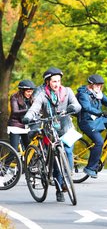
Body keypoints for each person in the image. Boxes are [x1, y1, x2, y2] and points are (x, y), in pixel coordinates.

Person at [22, 67, 82, 202]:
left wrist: (72, 108)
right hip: (50, 128)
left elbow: (77, 105)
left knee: (67, 151)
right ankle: (59, 189)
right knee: (55, 159)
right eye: (54, 81)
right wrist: (28, 116)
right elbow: (35, 108)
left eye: (59, 81)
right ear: (48, 82)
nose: (57, 84)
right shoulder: (42, 94)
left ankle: (68, 178)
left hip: (66, 127)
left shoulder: (67, 92)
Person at [76, 74, 107, 178]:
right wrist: (101, 113)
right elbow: (87, 108)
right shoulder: (83, 94)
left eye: (100, 85)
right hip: (86, 122)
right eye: (97, 85)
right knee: (99, 141)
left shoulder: (98, 94)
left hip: (97, 119)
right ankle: (90, 168)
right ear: (90, 84)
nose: (99, 87)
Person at [7, 80, 36, 152]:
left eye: (31, 91)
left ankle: (27, 163)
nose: (30, 93)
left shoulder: (31, 98)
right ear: (22, 90)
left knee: (29, 149)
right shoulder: (15, 97)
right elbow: (15, 112)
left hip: (25, 126)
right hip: (15, 126)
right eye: (28, 91)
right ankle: (5, 163)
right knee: (14, 151)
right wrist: (29, 110)